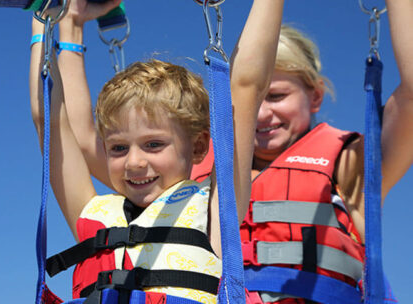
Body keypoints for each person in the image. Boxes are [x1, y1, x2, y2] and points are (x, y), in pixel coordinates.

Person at [29, 0, 284, 302]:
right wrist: (42, 23)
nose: (134, 162)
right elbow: (51, 120)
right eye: (118, 148)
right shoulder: (92, 214)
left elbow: (246, 86)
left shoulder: (216, 208)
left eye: (153, 144)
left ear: (199, 146)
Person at [190, 1, 413, 303]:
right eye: (256, 100)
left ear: (316, 96)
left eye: (277, 96)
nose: (261, 114)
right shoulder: (194, 163)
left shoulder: (349, 165)